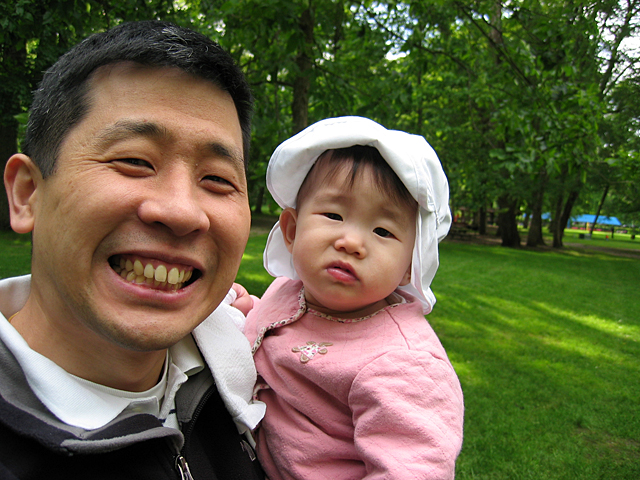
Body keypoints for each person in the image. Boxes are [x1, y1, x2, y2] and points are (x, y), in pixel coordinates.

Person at [0, 21, 266, 479]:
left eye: (218, 180)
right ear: (28, 194)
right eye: (134, 161)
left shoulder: (246, 372)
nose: (182, 212)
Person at [238, 116, 464, 480]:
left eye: (382, 230)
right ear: (292, 230)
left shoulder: (404, 364)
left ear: (411, 266)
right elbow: (275, 327)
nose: (352, 242)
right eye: (333, 214)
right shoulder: (288, 290)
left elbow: (414, 468)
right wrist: (248, 309)